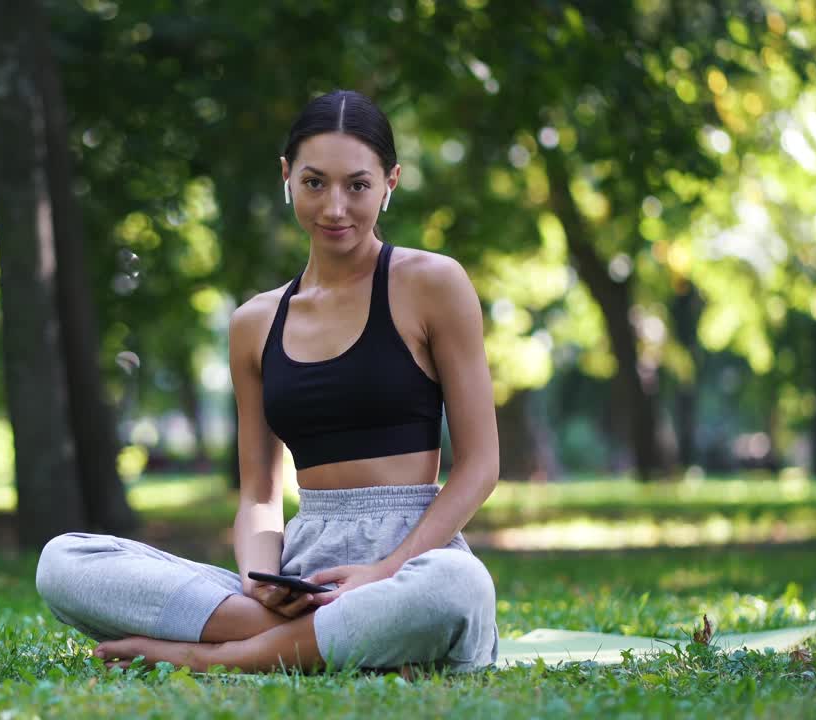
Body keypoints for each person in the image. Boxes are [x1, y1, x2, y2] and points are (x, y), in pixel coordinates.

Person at [35, 89, 500, 675]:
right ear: (286, 177)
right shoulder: (254, 323)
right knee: (65, 561)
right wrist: (260, 581)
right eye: (314, 183)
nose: (335, 207)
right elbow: (259, 492)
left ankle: (214, 659)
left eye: (357, 185)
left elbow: (480, 465)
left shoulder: (432, 283)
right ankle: (322, 642)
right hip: (297, 576)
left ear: (391, 182)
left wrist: (380, 575)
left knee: (456, 589)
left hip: (411, 567)